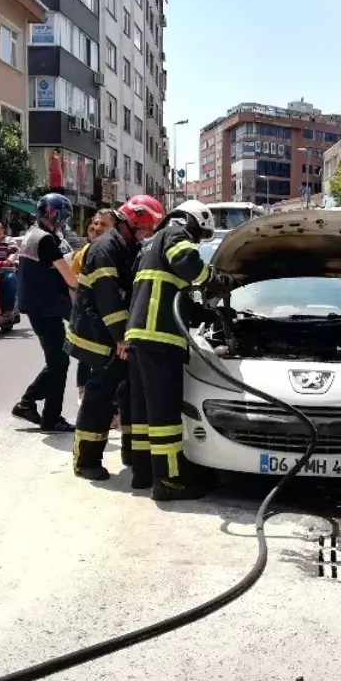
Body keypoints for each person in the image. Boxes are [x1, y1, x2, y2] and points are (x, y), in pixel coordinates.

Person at [126, 199, 222, 501]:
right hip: (160, 336)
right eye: (199, 235)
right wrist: (213, 279)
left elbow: (170, 292)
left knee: (144, 409)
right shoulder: (176, 233)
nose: (197, 242)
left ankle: (143, 472)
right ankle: (168, 480)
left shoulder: (152, 243)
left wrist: (204, 314)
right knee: (165, 412)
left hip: (141, 334)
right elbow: (187, 263)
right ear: (192, 221)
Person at [70, 196, 163, 484]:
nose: (148, 235)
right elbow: (108, 299)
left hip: (116, 336)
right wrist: (122, 339)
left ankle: (131, 453)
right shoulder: (104, 249)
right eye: (146, 229)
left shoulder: (126, 245)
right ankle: (86, 459)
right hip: (99, 336)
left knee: (128, 393)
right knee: (100, 396)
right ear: (133, 221)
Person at [12, 194, 81, 433]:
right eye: (63, 216)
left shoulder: (34, 234)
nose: (64, 221)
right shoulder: (45, 240)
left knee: (58, 361)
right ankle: (50, 417)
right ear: (55, 214)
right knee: (58, 362)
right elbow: (69, 276)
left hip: (38, 306)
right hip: (45, 307)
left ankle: (27, 404)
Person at [71, 210, 116, 395]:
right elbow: (74, 283)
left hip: (103, 316)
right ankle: (85, 395)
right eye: (93, 226)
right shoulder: (85, 253)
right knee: (88, 358)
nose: (96, 229)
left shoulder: (111, 250)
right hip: (93, 316)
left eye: (102, 225)